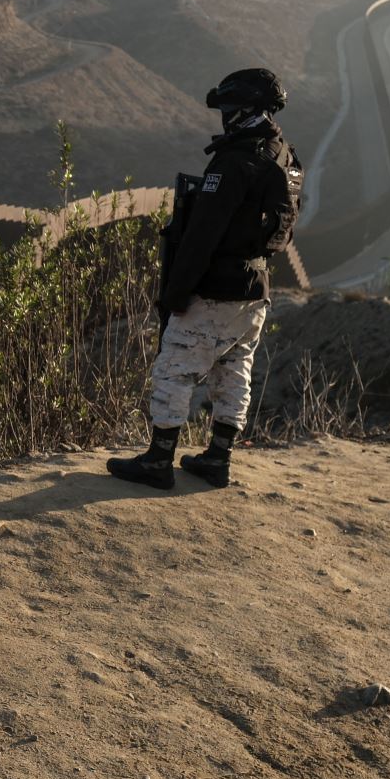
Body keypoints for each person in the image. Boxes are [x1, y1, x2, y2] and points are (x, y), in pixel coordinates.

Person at [108, 68, 301, 491]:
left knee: (174, 369)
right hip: (255, 289)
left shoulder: (235, 162)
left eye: (229, 109)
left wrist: (176, 292)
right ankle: (218, 458)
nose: (225, 118)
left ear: (247, 110)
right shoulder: (284, 156)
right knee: (234, 371)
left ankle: (158, 461)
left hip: (215, 287)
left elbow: (201, 236)